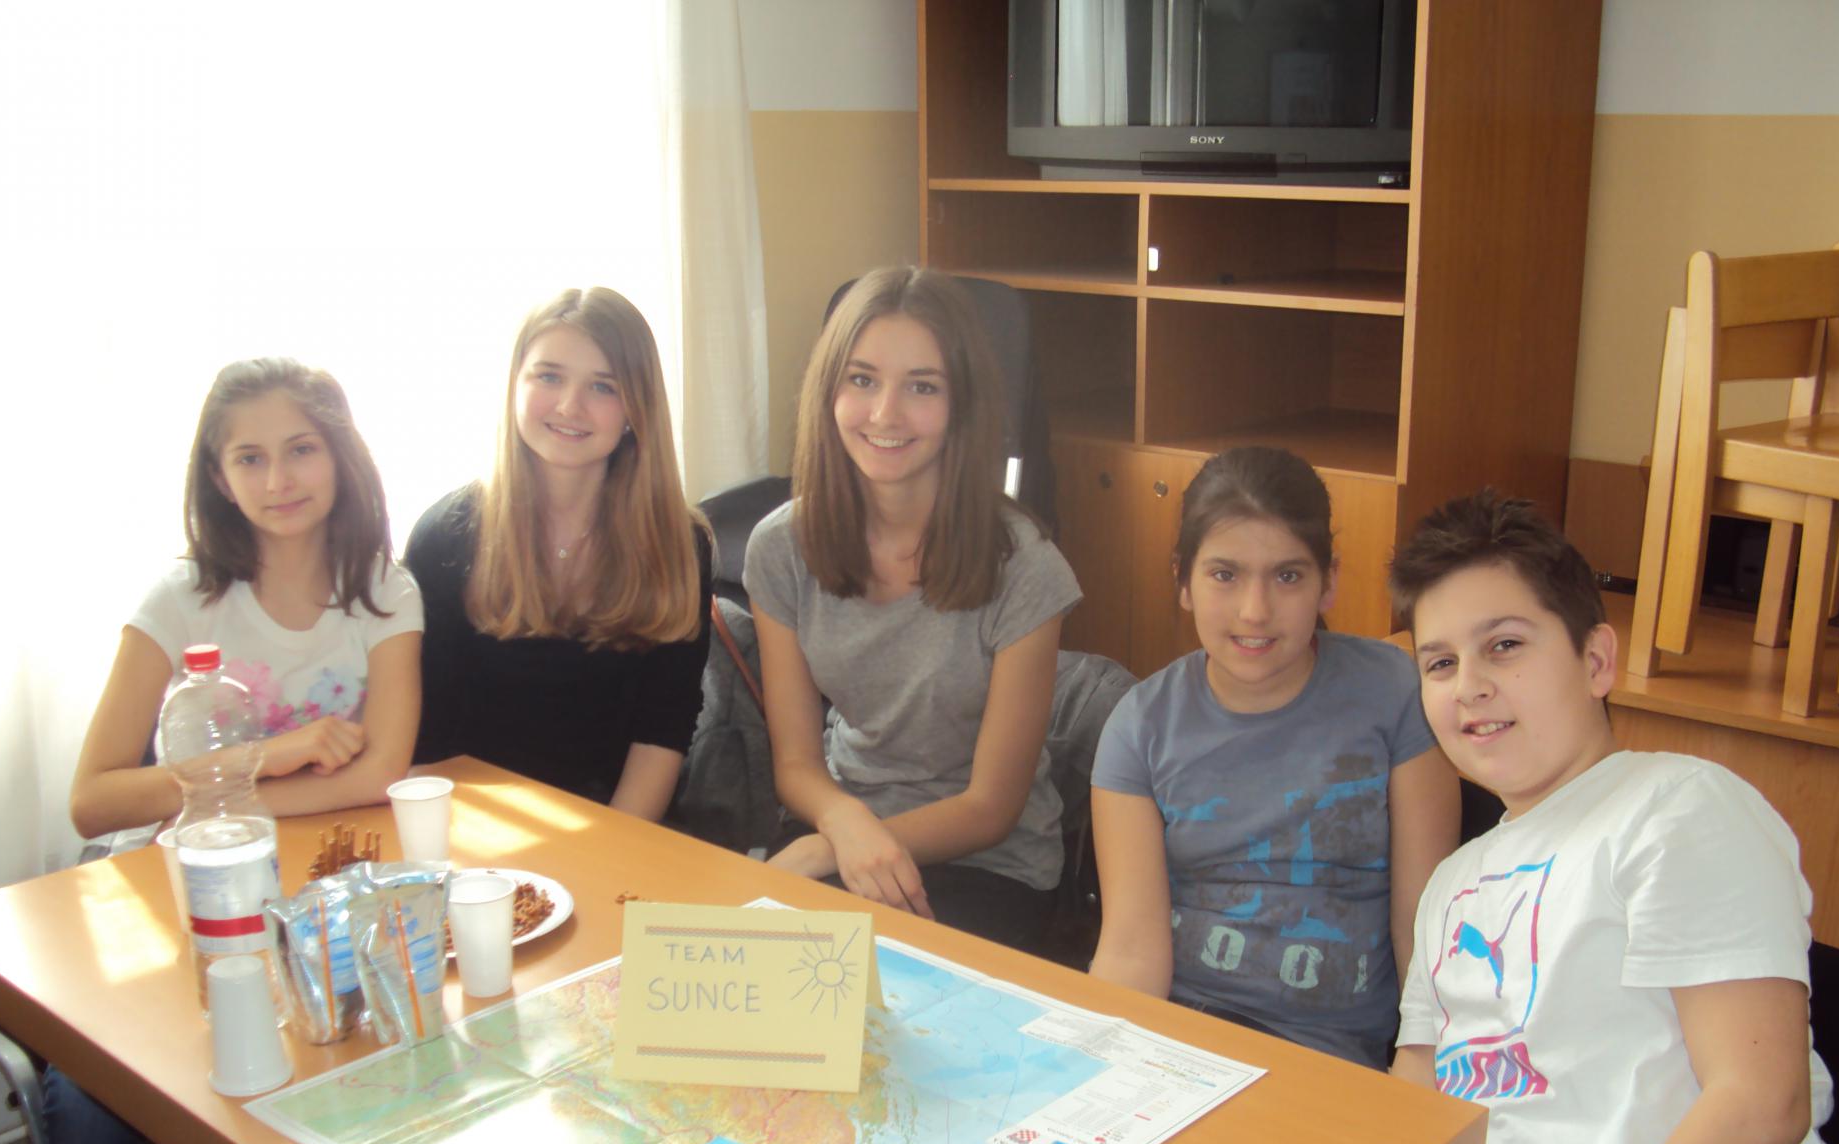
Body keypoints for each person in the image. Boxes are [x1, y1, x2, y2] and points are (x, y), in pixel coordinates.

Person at [1234, 490, 1839, 1144]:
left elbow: (1760, 1104)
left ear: (1596, 660)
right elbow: (1419, 1087)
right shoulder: (1455, 881)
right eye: (1441, 662)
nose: (1470, 684)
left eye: (1506, 645)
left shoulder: (1678, 806)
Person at [53, 357, 423, 1144]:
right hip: (172, 886)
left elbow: (384, 770)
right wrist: (274, 756)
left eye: (300, 449)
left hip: (320, 874)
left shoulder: (384, 589)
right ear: (216, 476)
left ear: (341, 456)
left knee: (372, 1008)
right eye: (248, 458)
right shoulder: (180, 598)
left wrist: (239, 794)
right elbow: (93, 797)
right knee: (76, 1090)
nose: (278, 479)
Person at [1088, 447, 1460, 1069]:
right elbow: (1131, 953)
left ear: (1328, 581)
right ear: (1183, 580)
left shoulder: (1396, 693)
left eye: (1287, 576)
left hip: (1333, 1058)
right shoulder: (1140, 726)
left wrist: (1422, 1062)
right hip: (1181, 1040)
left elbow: (1424, 928)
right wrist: (1098, 1071)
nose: (1255, 610)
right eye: (1224, 575)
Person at [744, 266, 1081, 950]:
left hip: (985, 863)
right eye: (862, 379)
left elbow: (991, 807)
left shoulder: (1027, 566)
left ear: (963, 404)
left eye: (922, 386)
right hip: (840, 823)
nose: (885, 414)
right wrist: (842, 826)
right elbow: (797, 764)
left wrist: (833, 847)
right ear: (829, 389)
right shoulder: (780, 548)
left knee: (878, 1006)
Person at [403, 288, 710, 817]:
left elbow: (663, 730)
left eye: (603, 386)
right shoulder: (445, 536)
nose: (570, 406)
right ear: (515, 386)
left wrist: (612, 847)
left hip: (619, 822)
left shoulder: (679, 543)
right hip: (474, 821)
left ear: (636, 409)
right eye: (549, 377)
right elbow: (426, 742)